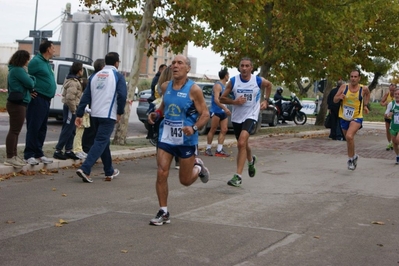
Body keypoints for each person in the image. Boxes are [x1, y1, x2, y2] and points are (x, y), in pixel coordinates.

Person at [147, 54, 210, 226]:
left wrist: (194, 128)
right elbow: (163, 108)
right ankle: (163, 211)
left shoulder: (194, 89)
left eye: (179, 63)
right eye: (173, 63)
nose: (175, 65)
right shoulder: (166, 86)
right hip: (167, 136)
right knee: (161, 171)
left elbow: (205, 114)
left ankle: (198, 167)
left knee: (185, 180)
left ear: (187, 68)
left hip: (186, 140)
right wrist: (156, 114)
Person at [75, 52, 127, 183]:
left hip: (95, 114)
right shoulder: (117, 76)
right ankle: (85, 169)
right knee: (100, 141)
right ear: (117, 63)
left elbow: (86, 96)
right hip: (108, 115)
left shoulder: (95, 76)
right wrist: (120, 112)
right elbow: (122, 95)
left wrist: (79, 113)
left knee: (103, 142)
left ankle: (109, 170)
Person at [220, 57, 272, 187]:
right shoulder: (233, 81)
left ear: (251, 68)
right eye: (242, 65)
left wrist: (266, 100)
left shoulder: (257, 80)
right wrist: (234, 102)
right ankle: (251, 160)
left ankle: (238, 176)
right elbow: (221, 98)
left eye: (247, 66)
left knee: (242, 142)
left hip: (251, 114)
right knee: (243, 143)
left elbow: (269, 85)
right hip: (237, 116)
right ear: (239, 67)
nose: (244, 68)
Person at [24, 40, 57, 165]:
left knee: (42, 128)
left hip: (46, 99)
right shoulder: (36, 62)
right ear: (48, 49)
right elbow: (26, 76)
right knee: (34, 127)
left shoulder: (46, 63)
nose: (54, 50)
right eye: (53, 47)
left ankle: (39, 153)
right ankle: (29, 154)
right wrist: (30, 90)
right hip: (38, 99)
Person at [4, 50, 36, 168]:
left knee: (15, 131)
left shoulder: (14, 70)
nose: (28, 62)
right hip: (18, 104)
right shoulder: (18, 70)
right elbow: (30, 83)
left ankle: (14, 155)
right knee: (14, 131)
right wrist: (32, 78)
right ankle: (10, 157)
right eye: (27, 59)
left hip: (18, 103)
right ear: (23, 59)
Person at [333, 69, 370, 170]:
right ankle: (354, 156)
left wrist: (365, 105)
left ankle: (350, 160)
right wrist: (339, 97)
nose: (353, 79)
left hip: (357, 117)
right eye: (351, 76)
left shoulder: (363, 89)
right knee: (348, 139)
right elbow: (334, 100)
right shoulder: (344, 87)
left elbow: (368, 94)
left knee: (349, 136)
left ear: (359, 78)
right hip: (344, 117)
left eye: (355, 77)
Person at [53, 62, 84, 160]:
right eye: (82, 69)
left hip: (73, 107)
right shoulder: (73, 82)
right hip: (71, 108)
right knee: (67, 129)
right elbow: (70, 98)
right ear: (79, 71)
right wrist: (74, 110)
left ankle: (68, 150)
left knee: (72, 130)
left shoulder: (74, 80)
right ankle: (58, 150)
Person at [204, 67, 231, 157]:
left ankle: (219, 149)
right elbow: (216, 99)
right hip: (216, 110)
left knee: (224, 129)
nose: (229, 77)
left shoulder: (225, 86)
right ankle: (208, 148)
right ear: (225, 76)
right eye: (228, 75)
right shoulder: (218, 85)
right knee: (213, 129)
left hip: (223, 111)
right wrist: (225, 108)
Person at [81, 59, 105, 154]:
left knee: (93, 130)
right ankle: (88, 149)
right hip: (94, 106)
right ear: (101, 67)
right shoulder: (96, 77)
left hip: (95, 105)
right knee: (91, 130)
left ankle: (90, 148)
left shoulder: (93, 77)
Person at [384, 87, 399, 164]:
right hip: (393, 126)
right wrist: (388, 114)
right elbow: (385, 114)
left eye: (398, 94)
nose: (397, 95)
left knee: (397, 140)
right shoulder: (391, 104)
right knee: (394, 143)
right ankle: (397, 156)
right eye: (396, 94)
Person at [380, 83, 396, 150]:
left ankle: (395, 142)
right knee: (388, 130)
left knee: (395, 130)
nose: (392, 89)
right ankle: (390, 143)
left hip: (395, 116)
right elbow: (381, 102)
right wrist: (384, 104)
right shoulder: (387, 94)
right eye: (391, 87)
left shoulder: (397, 95)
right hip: (387, 115)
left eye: (393, 87)